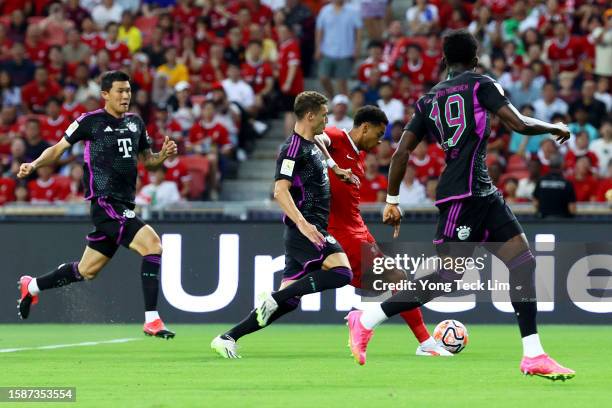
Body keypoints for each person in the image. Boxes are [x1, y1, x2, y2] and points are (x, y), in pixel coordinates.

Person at [345, 30, 575, 380]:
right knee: (449, 276)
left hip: (481, 191)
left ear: (445, 58)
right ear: (476, 55)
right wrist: (553, 126)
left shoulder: (427, 100)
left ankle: (534, 355)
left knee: (523, 263)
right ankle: (368, 317)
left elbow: (401, 152)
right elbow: (518, 123)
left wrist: (392, 200)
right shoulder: (482, 84)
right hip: (462, 194)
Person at [16, 71, 179, 339]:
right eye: (119, 91)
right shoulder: (90, 122)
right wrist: (33, 165)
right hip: (105, 201)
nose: (126, 96)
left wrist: (162, 155)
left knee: (86, 270)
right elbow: (58, 149)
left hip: (124, 204)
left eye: (128, 91)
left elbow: (146, 160)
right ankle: (152, 319)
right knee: (153, 245)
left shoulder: (136, 123)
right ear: (105, 94)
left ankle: (31, 286)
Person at [211, 91, 354, 357]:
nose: (327, 119)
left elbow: (323, 140)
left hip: (308, 228)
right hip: (307, 228)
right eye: (323, 115)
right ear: (310, 115)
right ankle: (272, 298)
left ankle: (228, 337)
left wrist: (335, 168)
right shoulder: (292, 150)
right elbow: (280, 191)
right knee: (342, 273)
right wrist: (302, 224)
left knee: (289, 302)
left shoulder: (313, 141)